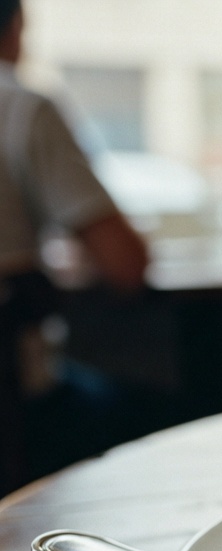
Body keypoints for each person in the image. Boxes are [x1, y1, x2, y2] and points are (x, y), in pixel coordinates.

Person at [0, 0, 154, 479]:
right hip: (17, 410)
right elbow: (125, 265)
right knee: (173, 416)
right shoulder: (21, 107)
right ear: (15, 28)